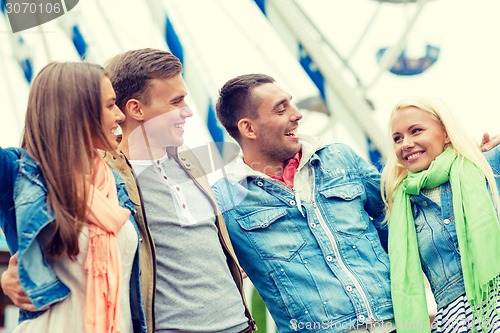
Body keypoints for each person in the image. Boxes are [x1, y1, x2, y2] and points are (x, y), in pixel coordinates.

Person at [1, 49, 256, 333]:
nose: (188, 110)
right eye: (176, 101)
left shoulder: (186, 161)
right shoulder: (105, 177)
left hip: (239, 325)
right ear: (136, 109)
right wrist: (12, 273)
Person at [212, 73, 395, 333]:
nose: (297, 114)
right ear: (248, 128)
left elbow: (399, 221)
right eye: (281, 109)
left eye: (292, 103)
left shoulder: (340, 159)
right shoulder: (223, 201)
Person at [0, 62, 146, 333]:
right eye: (110, 105)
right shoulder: (19, 174)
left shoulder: (114, 183)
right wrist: (4, 279)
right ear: (78, 111)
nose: (120, 115)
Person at [380, 96, 500, 333]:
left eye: (416, 131)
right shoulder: (400, 208)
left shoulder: (486, 166)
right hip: (455, 321)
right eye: (397, 138)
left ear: (445, 133)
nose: (406, 143)